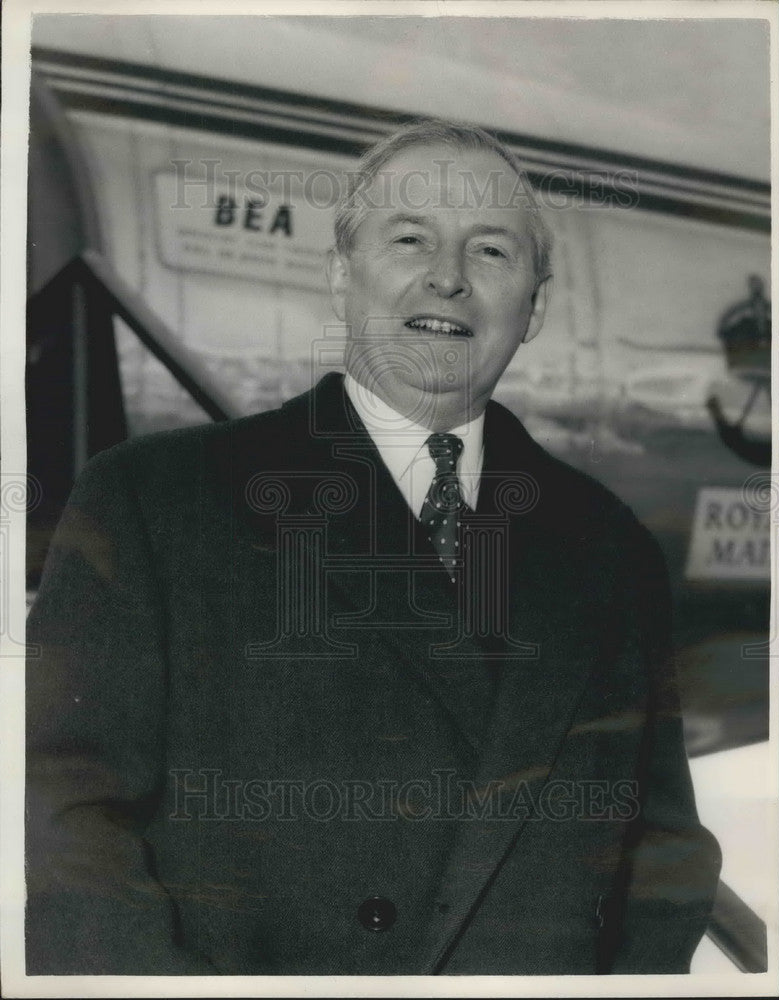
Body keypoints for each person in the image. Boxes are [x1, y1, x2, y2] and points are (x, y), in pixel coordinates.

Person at [25, 118, 721, 976]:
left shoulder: (611, 550)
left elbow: (664, 848)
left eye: (492, 252)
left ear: (533, 309)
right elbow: (66, 820)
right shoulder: (149, 502)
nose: (448, 279)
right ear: (340, 274)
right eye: (409, 239)